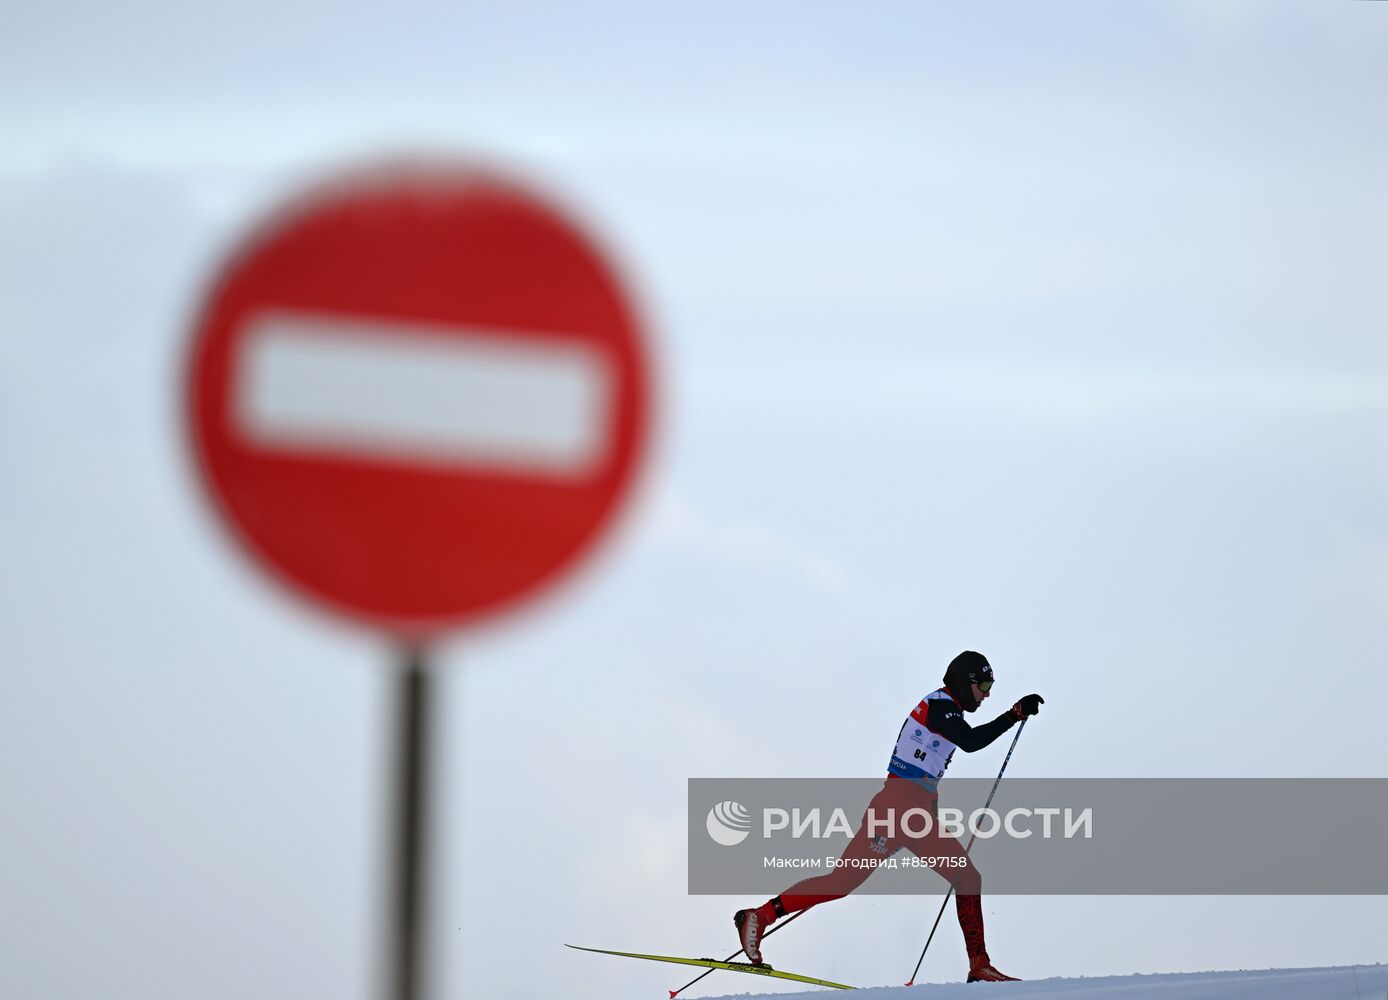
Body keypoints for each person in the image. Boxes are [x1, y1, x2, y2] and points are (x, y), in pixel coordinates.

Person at [733, 650, 1043, 983]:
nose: (987, 694)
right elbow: (970, 742)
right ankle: (759, 916)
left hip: (908, 812)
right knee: (854, 882)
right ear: (965, 682)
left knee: (953, 878)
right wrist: (1013, 714)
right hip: (898, 809)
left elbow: (925, 771)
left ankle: (979, 967)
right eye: (984, 685)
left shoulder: (947, 711)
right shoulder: (941, 707)